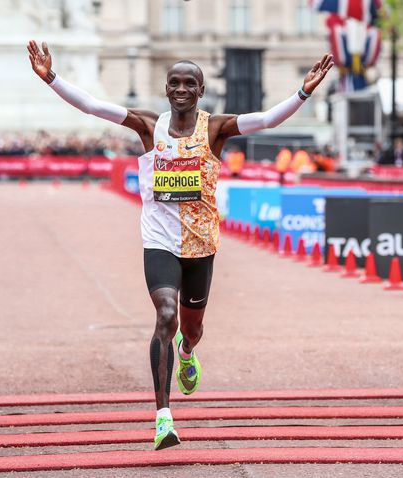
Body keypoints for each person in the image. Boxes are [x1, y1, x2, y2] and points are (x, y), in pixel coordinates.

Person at [27, 40, 333, 450]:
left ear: (201, 90)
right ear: (166, 88)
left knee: (191, 328)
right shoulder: (148, 126)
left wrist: (303, 92)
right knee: (165, 316)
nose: (182, 89)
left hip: (200, 244)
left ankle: (187, 352)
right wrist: (51, 78)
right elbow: (93, 106)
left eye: (190, 83)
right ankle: (163, 417)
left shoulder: (215, 128)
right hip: (159, 241)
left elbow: (266, 120)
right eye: (175, 83)